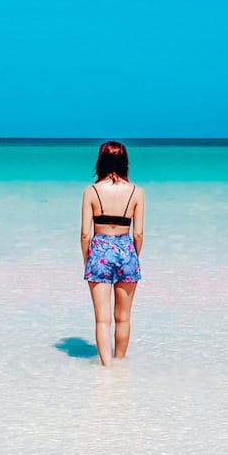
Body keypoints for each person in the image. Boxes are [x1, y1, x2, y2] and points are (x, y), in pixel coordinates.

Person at [80, 141, 145, 367]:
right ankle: (120, 368)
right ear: (124, 161)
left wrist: (87, 259)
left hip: (99, 251)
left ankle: (106, 370)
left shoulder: (91, 192)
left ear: (101, 161)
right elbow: (138, 233)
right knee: (123, 317)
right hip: (126, 250)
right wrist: (133, 257)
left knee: (102, 319)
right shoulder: (137, 192)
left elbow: (85, 235)